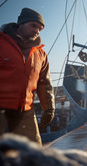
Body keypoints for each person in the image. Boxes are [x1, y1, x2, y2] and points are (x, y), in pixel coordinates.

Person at [0, 8, 55, 145]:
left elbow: (44, 83)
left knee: (34, 152)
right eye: (33, 26)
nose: (37, 31)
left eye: (40, 29)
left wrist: (49, 108)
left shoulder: (41, 54)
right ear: (21, 24)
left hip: (25, 111)